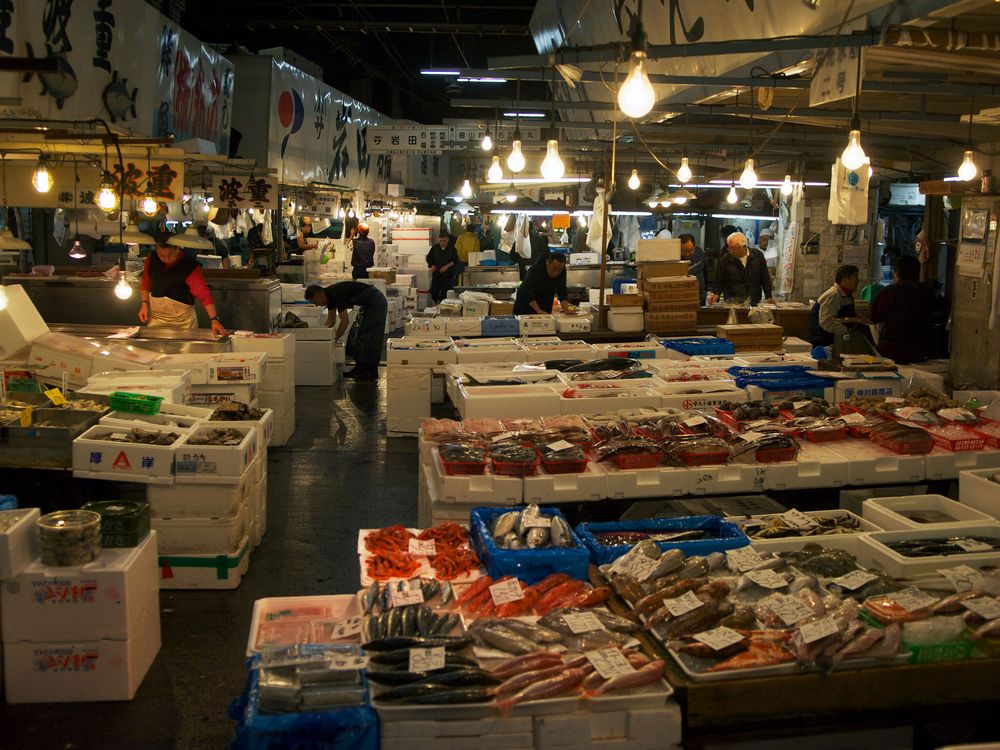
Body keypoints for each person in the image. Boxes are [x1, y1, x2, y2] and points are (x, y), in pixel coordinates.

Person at [139, 230, 227, 335]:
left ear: (178, 248)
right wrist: (144, 304)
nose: (166, 259)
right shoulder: (151, 259)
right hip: (156, 320)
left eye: (170, 255)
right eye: (161, 255)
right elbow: (145, 283)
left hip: (183, 323)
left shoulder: (189, 265)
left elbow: (203, 294)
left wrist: (214, 320)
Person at [304, 282, 387, 382]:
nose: (316, 305)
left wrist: (334, 339)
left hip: (376, 303)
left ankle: (370, 372)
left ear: (319, 295)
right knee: (359, 335)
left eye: (314, 301)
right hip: (368, 304)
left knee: (368, 336)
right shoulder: (329, 296)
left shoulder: (336, 294)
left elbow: (345, 322)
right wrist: (323, 338)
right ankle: (360, 369)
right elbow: (331, 319)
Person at [870, 256, 933, 364]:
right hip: (920, 350)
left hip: (892, 350)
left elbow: (874, 317)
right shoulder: (927, 292)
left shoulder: (889, 292)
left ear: (898, 272)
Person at [707, 232, 775, 305]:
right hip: (732, 302)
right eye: (729, 247)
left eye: (733, 248)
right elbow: (719, 281)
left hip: (754, 301)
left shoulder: (757, 256)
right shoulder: (724, 260)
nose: (729, 250)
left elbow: (765, 277)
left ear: (744, 247)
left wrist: (768, 296)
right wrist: (715, 294)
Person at [807, 264, 860, 347]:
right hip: (823, 343)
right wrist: (847, 331)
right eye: (856, 278)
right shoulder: (832, 295)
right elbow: (826, 323)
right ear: (845, 280)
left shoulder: (847, 296)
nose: (858, 281)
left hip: (837, 340)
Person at [426, 230, 459, 303]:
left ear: (448, 240)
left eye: (444, 241)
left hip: (447, 275)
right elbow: (429, 258)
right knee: (434, 292)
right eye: (441, 241)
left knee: (445, 293)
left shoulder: (452, 249)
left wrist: (447, 267)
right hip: (437, 274)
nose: (442, 243)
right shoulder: (435, 248)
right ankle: (435, 303)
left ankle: (444, 305)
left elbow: (455, 260)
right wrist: (432, 265)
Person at [677, 233, 708, 305]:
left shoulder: (699, 253)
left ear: (694, 246)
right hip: (682, 298)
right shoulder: (674, 259)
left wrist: (706, 290)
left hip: (700, 296)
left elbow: (705, 272)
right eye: (683, 251)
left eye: (690, 251)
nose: (687, 254)